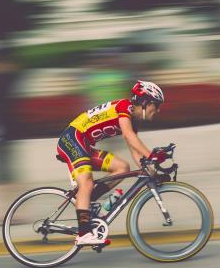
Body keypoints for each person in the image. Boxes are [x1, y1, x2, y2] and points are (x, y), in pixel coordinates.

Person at [57, 80, 166, 246]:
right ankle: (84, 234)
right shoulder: (125, 107)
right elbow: (129, 137)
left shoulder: (132, 121)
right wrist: (152, 154)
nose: (158, 110)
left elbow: (136, 153)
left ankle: (88, 200)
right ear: (144, 102)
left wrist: (153, 172)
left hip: (84, 145)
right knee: (86, 182)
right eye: (156, 105)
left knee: (122, 167)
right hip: (72, 139)